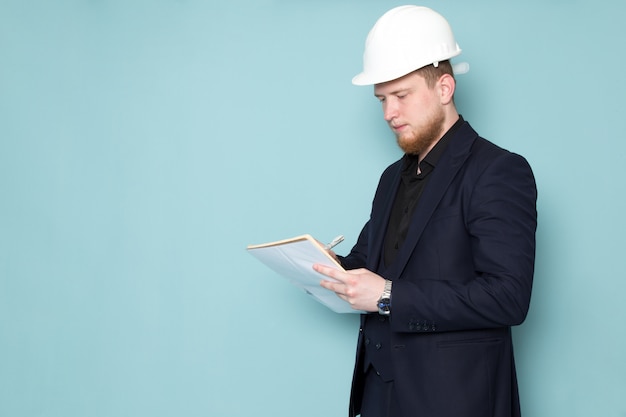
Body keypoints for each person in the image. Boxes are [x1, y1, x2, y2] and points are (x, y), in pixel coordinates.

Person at [313, 5, 537, 417]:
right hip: (379, 394)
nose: (388, 114)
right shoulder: (390, 178)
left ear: (444, 88)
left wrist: (386, 296)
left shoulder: (498, 170)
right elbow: (371, 263)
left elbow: (508, 297)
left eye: (401, 96)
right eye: (381, 99)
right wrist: (323, 266)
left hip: (455, 399)